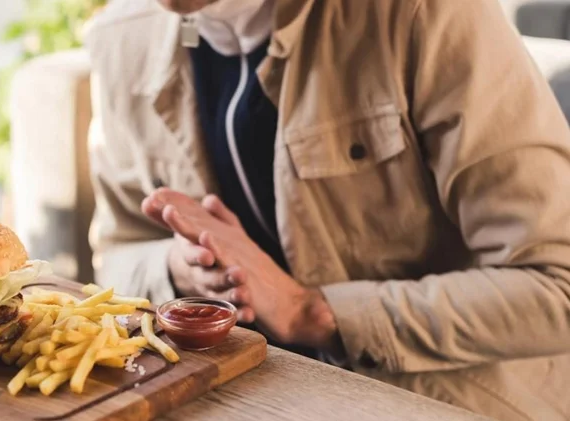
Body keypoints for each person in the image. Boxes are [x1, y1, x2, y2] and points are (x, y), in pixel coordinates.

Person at [85, 0, 570, 419]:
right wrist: (175, 269)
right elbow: (115, 258)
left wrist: (313, 311)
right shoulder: (121, 37)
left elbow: (557, 285)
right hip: (231, 392)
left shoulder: (424, 13)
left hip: (447, 398)